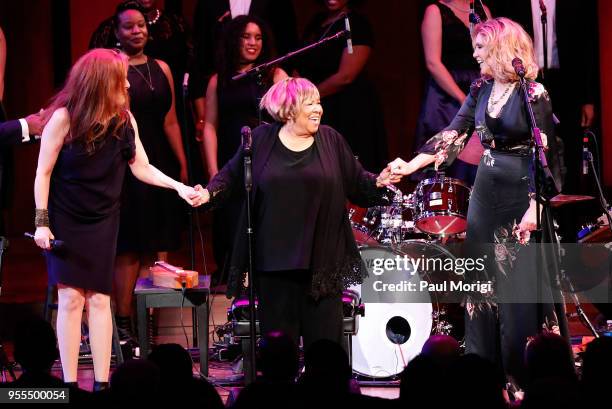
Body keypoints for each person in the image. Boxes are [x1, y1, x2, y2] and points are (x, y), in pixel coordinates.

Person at [388, 18, 567, 386]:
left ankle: (520, 380)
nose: (473, 53)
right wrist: (412, 164)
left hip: (522, 194)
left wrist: (536, 206)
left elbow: (549, 154)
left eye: (481, 47)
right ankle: (481, 381)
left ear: (501, 48)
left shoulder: (534, 95)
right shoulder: (481, 88)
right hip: (486, 192)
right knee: (479, 289)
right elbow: (453, 132)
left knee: (517, 293)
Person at [33, 48, 201, 391]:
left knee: (98, 297)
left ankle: (101, 383)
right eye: (120, 77)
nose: (126, 82)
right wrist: (41, 222)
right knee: (70, 298)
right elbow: (43, 172)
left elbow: (142, 167)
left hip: (103, 220)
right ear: (100, 82)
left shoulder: (124, 120)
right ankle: (67, 386)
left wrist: (179, 187)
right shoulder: (64, 118)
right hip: (65, 219)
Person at [196, 77, 400, 351]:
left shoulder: (330, 139)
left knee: (326, 352)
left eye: (319, 103)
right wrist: (206, 194)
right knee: (280, 354)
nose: (319, 109)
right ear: (289, 108)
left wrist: (379, 181)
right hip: (274, 267)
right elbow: (228, 179)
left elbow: (358, 183)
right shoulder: (258, 141)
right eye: (310, 104)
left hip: (322, 264)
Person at [111, 1, 190, 340]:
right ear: (117, 32)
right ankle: (125, 322)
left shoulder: (163, 67)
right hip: (129, 158)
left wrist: (182, 165)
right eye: (128, 26)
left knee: (158, 243)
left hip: (161, 158)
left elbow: (171, 120)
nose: (137, 31)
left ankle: (151, 324)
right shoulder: (113, 67)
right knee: (131, 244)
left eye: (141, 25)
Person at [202, 15, 287, 282]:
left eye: (258, 37)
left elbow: (290, 120)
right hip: (231, 156)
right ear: (233, 40)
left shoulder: (275, 74)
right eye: (246, 37)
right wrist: (214, 172)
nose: (253, 43)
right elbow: (210, 126)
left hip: (266, 158)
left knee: (263, 218)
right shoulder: (219, 80)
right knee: (230, 219)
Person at [297, 0, 388, 171]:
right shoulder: (316, 21)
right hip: (318, 105)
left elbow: (346, 76)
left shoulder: (357, 23)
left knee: (347, 167)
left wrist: (307, 98)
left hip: (348, 106)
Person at [414, 0, 491, 185]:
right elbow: (433, 62)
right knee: (449, 161)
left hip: (480, 85)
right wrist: (463, 98)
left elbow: (495, 52)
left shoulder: (482, 9)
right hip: (447, 94)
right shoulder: (436, 10)